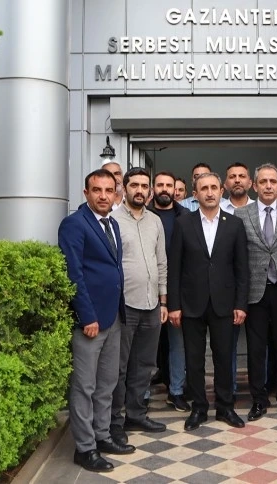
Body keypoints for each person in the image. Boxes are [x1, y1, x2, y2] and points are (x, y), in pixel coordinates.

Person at [58, 169, 135, 473]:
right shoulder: (74, 224)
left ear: (116, 194)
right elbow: (73, 273)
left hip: (113, 316)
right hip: (90, 321)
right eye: (97, 190)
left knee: (107, 383)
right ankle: (85, 448)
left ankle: (102, 436)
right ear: (86, 193)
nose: (103, 196)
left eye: (108, 190)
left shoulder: (112, 224)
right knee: (84, 386)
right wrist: (86, 315)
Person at [167, 172, 250, 431]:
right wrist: (174, 306)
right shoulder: (183, 224)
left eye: (214, 187)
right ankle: (199, 408)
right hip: (191, 303)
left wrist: (241, 304)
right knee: (194, 359)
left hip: (224, 303)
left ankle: (225, 407)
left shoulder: (234, 224)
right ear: (195, 194)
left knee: (224, 357)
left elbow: (242, 269)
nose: (210, 192)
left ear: (222, 191)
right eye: (204, 188)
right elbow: (174, 268)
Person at [235, 163, 277, 422]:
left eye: (272, 181)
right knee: (256, 349)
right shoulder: (242, 214)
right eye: (263, 181)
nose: (268, 186)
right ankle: (258, 400)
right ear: (255, 185)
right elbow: (239, 257)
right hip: (255, 292)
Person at [109, 168, 169, 445]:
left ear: (150, 191)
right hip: (124, 305)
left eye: (145, 186)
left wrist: (163, 300)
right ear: (124, 188)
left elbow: (161, 262)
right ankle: (114, 421)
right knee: (119, 368)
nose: (140, 190)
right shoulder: (112, 220)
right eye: (135, 185)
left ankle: (136, 414)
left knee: (144, 365)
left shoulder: (155, 221)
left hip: (152, 304)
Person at [147, 171, 191, 412]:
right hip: (147, 288)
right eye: (160, 184)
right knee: (146, 346)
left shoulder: (185, 217)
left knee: (178, 344)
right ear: (153, 188)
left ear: (176, 189)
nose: (164, 189)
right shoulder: (143, 215)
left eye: (169, 185)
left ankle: (176, 391)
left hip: (178, 289)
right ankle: (141, 395)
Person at [218, 162, 255, 398]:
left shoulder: (259, 208)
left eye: (242, 176)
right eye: (232, 176)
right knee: (226, 343)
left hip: (260, 285)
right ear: (225, 184)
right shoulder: (218, 209)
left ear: (250, 182)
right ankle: (228, 389)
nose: (237, 180)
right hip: (227, 288)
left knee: (259, 342)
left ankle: (261, 388)